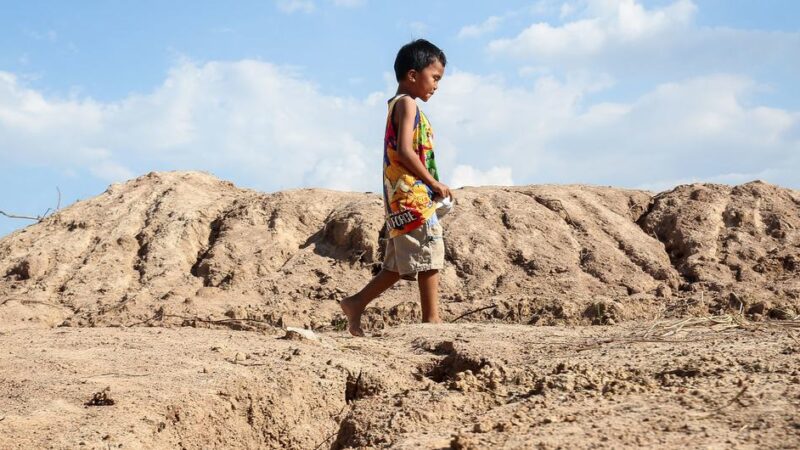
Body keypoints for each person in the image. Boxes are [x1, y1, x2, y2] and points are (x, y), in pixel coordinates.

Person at [340, 39, 452, 337]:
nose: (437, 86)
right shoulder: (407, 103)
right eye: (435, 78)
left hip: (400, 198)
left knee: (396, 264)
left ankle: (356, 303)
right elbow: (404, 150)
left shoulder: (398, 104)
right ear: (413, 75)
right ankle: (432, 320)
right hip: (412, 197)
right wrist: (433, 182)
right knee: (430, 251)